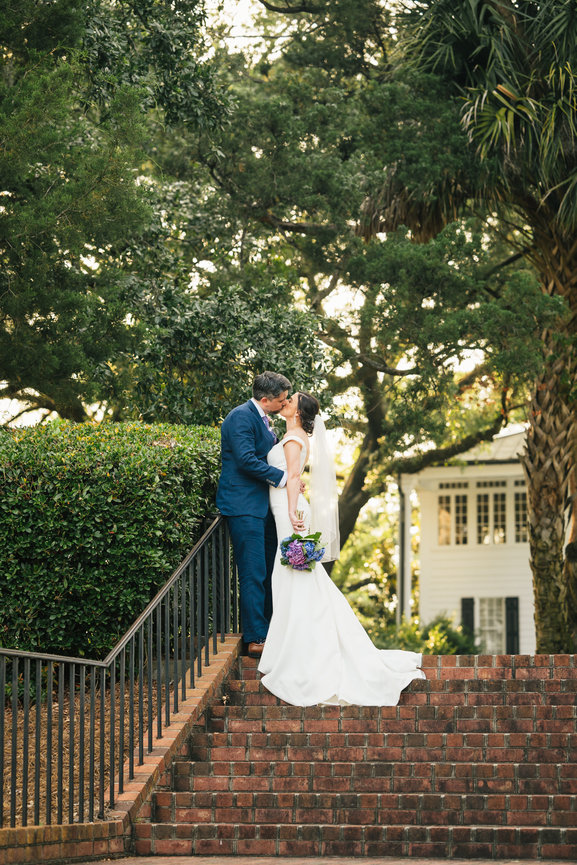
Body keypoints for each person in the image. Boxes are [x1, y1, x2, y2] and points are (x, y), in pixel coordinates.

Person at [258, 391, 426, 706]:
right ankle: (297, 644)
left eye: (291, 400)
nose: (286, 402)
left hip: (290, 514)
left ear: (298, 411)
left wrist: (293, 512)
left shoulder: (293, 439)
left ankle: (300, 650)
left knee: (295, 577)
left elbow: (293, 477)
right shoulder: (294, 436)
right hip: (290, 510)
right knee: (298, 579)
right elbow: (291, 477)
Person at [216, 371, 292, 658]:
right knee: (252, 572)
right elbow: (246, 460)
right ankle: (256, 637)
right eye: (282, 400)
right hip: (243, 505)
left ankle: (272, 628)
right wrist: (283, 478)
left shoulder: (261, 418)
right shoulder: (240, 417)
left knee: (269, 570)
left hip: (262, 507)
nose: (284, 404)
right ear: (265, 399)